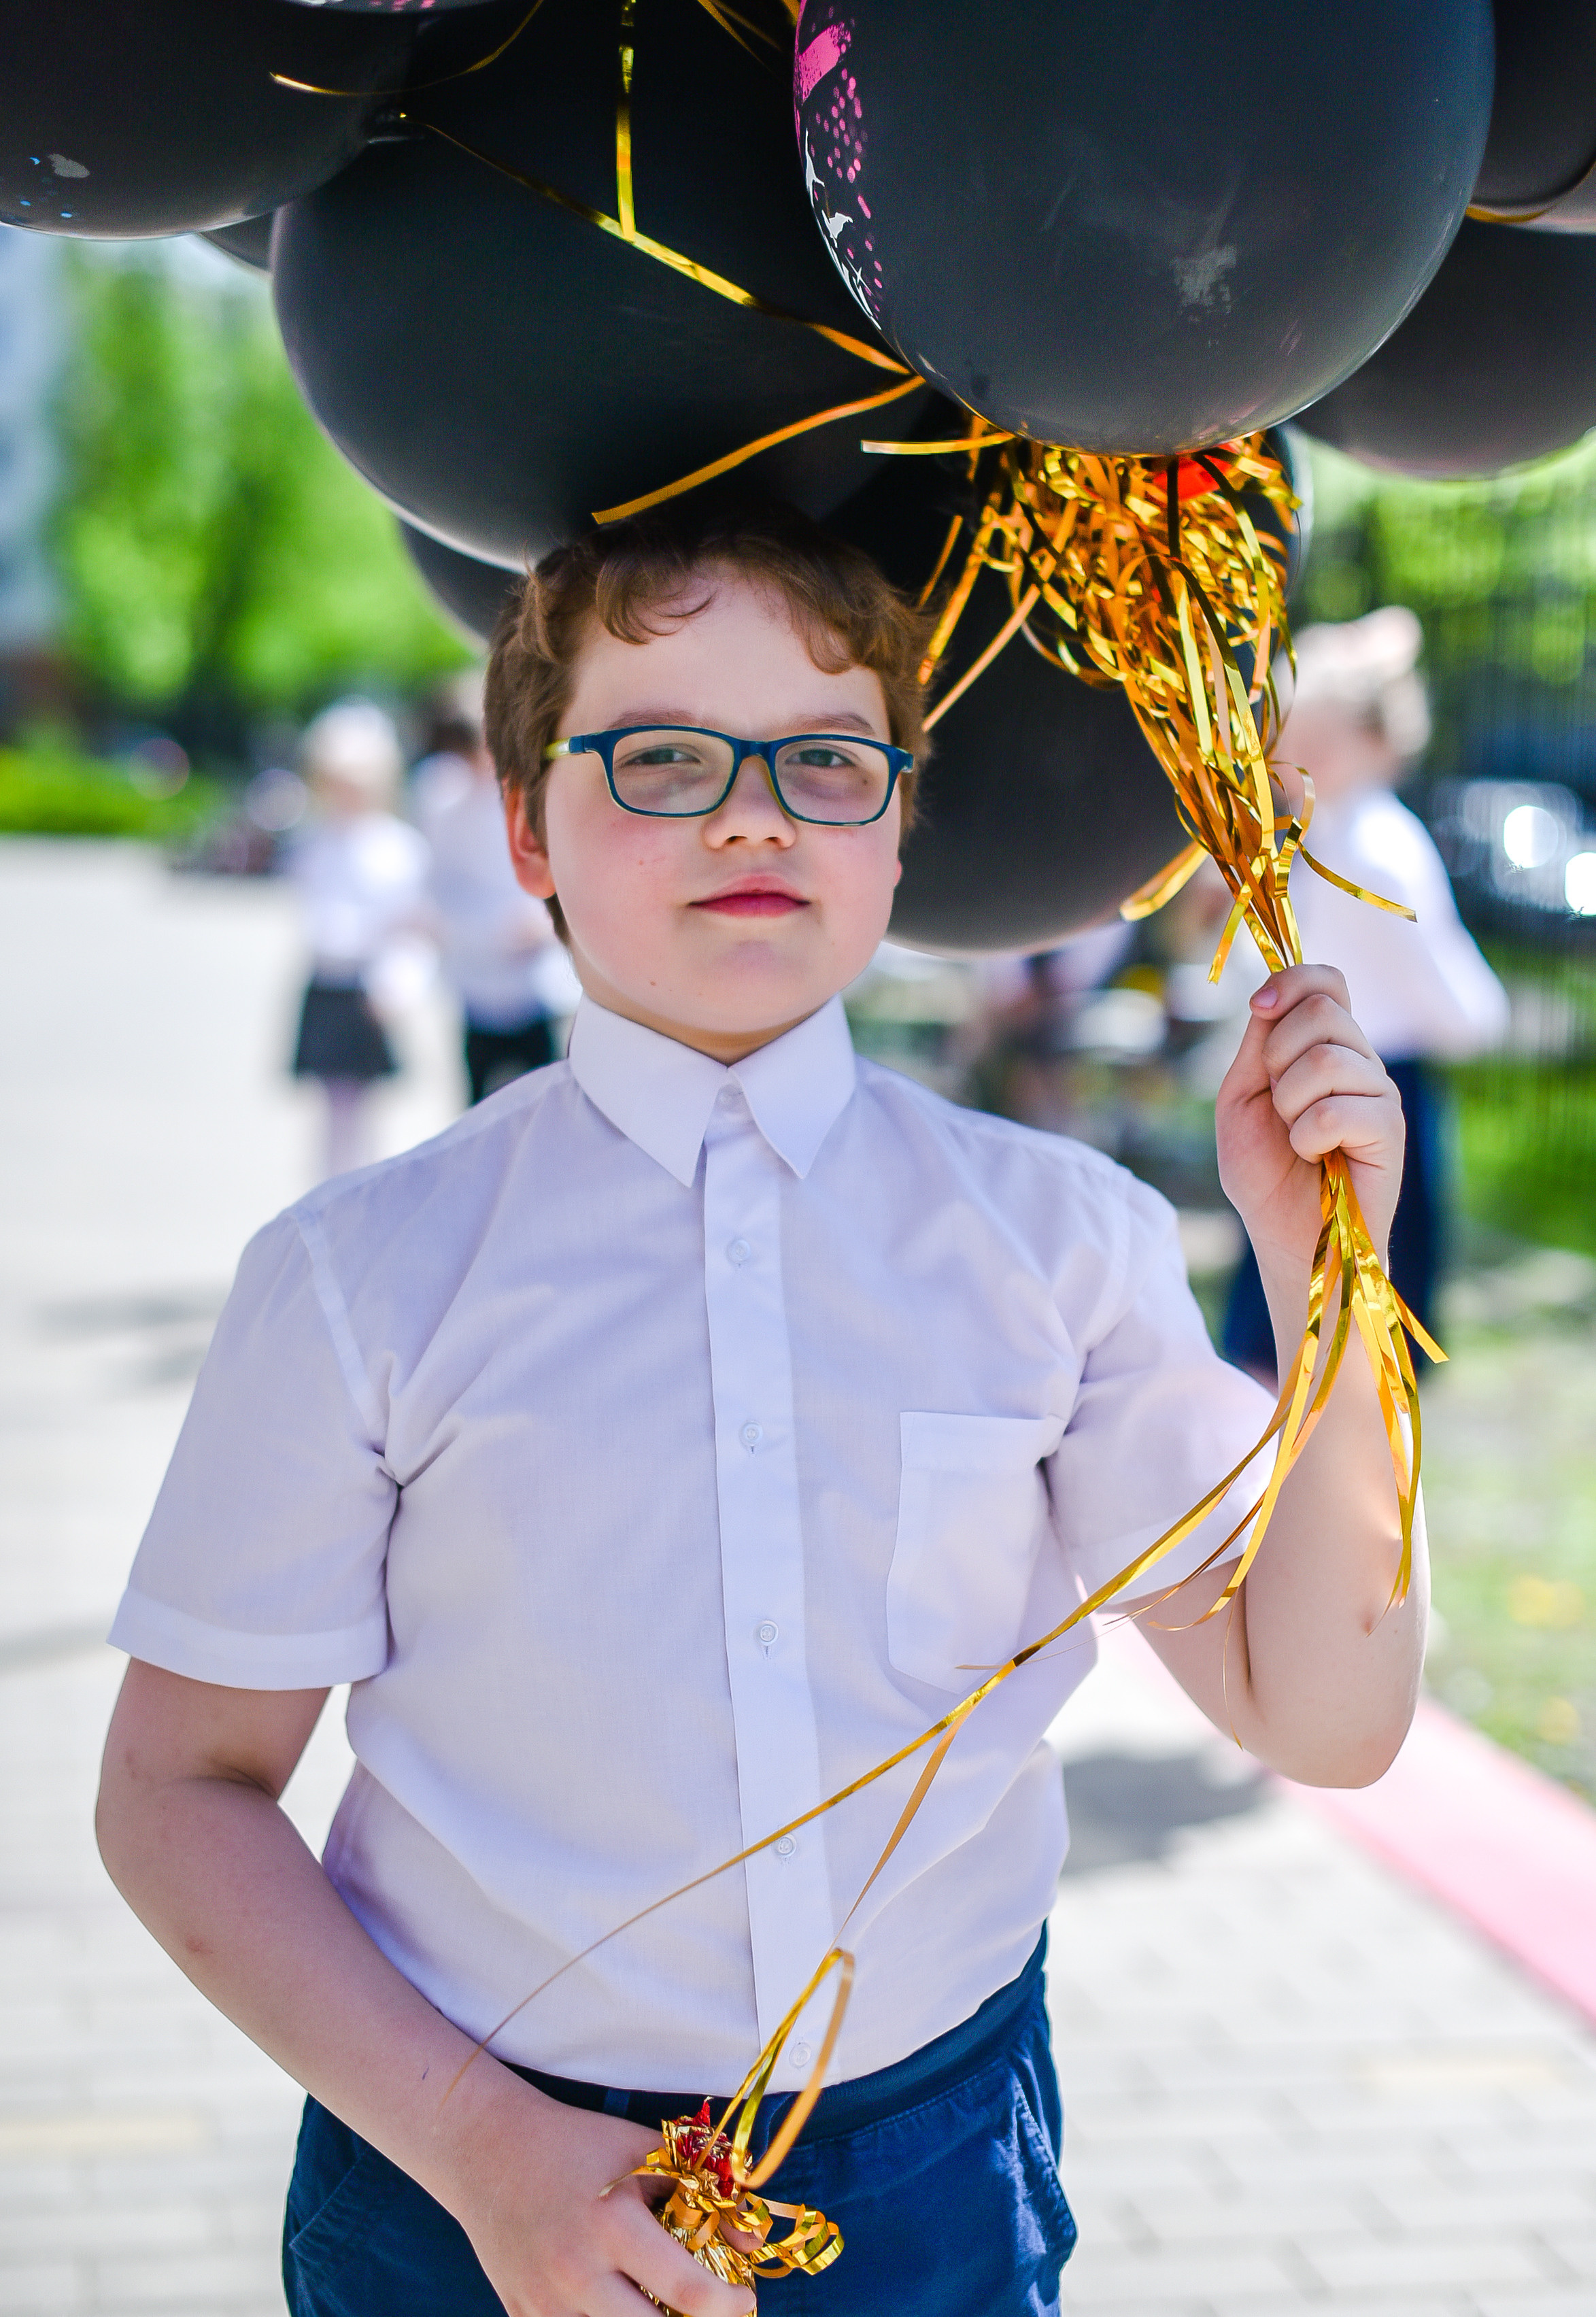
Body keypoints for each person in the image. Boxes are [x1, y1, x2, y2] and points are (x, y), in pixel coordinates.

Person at [97, 502, 1425, 2317]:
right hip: (459, 2161)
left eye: (824, 760)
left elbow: (1326, 1708)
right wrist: (482, 2141)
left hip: (933, 2161)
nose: (751, 811)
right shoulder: (362, 1272)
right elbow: (179, 1784)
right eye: (659, 756)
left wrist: (1318, 1272)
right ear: (521, 825)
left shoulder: (1056, 1242)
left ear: (896, 829)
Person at [1222, 607, 1508, 1380]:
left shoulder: (1342, 843)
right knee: (1350, 1325)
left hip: (1332, 1087)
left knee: (1298, 1312)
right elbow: (1463, 1008)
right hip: (1373, 1090)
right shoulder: (1368, 844)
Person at [288, 701, 432, 1181]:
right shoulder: (313, 842)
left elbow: (410, 928)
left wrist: (399, 985)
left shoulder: (397, 847)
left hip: (369, 988)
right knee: (331, 1105)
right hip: (328, 980)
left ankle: (362, 1187)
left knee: (364, 1108)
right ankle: (330, 1187)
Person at [417, 681, 580, 1105]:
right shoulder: (445, 808)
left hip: (537, 986)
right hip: (478, 981)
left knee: (547, 1105)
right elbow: (439, 890)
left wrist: (545, 923)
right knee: (480, 1109)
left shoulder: (543, 798)